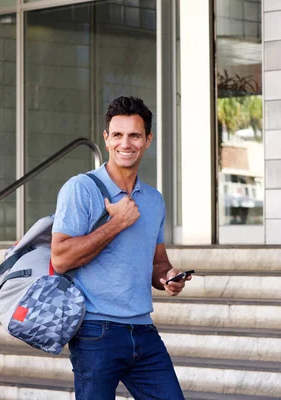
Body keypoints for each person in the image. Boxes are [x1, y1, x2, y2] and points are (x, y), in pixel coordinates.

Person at [50, 96, 191, 400]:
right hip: (95, 332)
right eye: (117, 135)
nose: (125, 143)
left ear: (148, 140)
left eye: (134, 135)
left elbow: (157, 262)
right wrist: (117, 223)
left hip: (143, 330)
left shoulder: (154, 200)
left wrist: (168, 276)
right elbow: (60, 258)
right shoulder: (81, 188)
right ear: (107, 138)